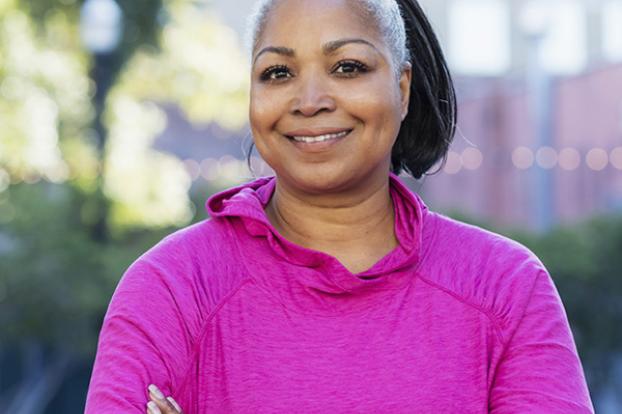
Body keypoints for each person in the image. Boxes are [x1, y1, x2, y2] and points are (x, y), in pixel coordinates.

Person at [84, 0, 595, 412]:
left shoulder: (504, 286)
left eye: (347, 67)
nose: (309, 100)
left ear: (402, 87)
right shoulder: (172, 289)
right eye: (278, 72)